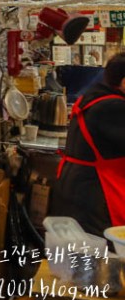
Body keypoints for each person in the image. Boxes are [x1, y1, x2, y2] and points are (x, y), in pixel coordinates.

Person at [54, 54, 125, 237]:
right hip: (94, 194)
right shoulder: (113, 107)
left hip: (79, 188)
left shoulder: (95, 96)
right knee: (102, 256)